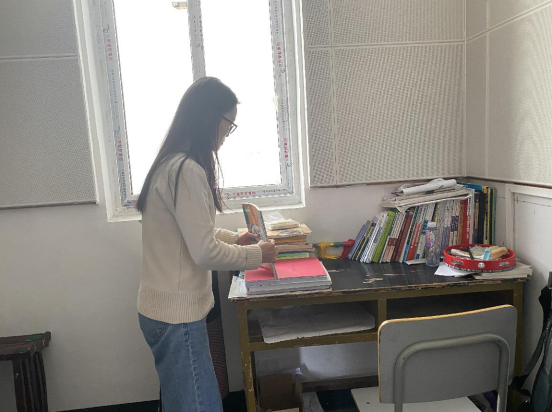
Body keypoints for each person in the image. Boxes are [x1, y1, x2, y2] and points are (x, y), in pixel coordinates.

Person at [135, 77, 277, 412]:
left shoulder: (169, 164)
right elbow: (204, 252)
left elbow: (189, 234)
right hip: (177, 317)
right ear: (210, 117)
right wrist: (256, 253)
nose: (228, 133)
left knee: (183, 402)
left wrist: (234, 239)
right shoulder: (186, 171)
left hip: (160, 310)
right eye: (229, 123)